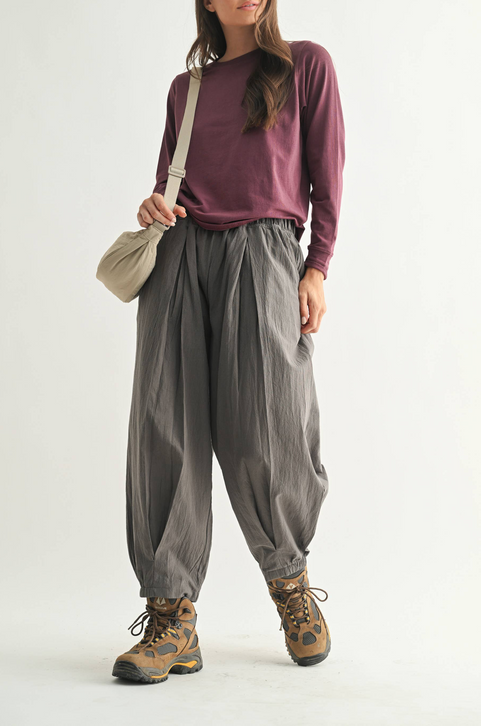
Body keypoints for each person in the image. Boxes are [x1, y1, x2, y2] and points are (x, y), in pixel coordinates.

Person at [112, 0, 345, 684]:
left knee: (268, 427)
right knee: (167, 428)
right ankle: (171, 615)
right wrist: (153, 205)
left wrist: (316, 267)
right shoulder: (185, 89)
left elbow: (326, 176)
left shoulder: (305, 66)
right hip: (179, 257)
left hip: (264, 252)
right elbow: (170, 184)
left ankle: (290, 582)